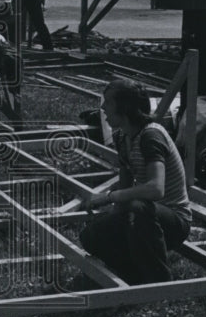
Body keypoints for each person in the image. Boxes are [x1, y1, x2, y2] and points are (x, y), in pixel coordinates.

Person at [77, 79, 191, 286]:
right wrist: (110, 220)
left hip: (172, 220)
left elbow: (156, 189)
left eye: (108, 103)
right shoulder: (123, 137)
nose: (103, 108)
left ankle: (159, 281)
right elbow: (125, 185)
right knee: (90, 236)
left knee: (138, 207)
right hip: (145, 218)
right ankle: (134, 273)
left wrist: (108, 197)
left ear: (125, 107)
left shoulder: (151, 136)